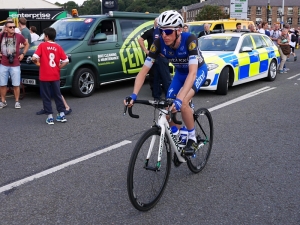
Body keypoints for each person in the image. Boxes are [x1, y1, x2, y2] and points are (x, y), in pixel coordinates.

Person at [124, 10, 208, 155]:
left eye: (168, 31)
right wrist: (133, 95)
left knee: (184, 102)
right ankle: (176, 131)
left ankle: (192, 138)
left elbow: (193, 73)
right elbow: (143, 72)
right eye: (161, 31)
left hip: (197, 72)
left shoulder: (190, 40)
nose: (164, 35)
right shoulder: (158, 43)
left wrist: (180, 99)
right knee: (166, 105)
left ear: (179, 30)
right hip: (180, 74)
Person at [31, 27, 69, 124]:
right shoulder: (58, 47)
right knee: (57, 95)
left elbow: (34, 57)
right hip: (55, 75)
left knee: (46, 96)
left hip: (44, 75)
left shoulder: (42, 46)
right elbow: (66, 60)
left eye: (44, 36)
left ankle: (50, 117)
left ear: (47, 36)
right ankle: (62, 115)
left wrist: (36, 62)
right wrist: (59, 67)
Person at [138, 18, 171, 100]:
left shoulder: (161, 31)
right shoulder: (151, 31)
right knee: (160, 77)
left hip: (156, 56)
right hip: (156, 56)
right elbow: (140, 39)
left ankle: (159, 95)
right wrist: (146, 50)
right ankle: (162, 95)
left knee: (159, 77)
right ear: (155, 23)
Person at [0, 20, 29, 109]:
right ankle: (3, 101)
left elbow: (26, 44)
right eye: (10, 27)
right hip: (4, 63)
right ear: (6, 28)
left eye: (14, 27)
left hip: (15, 63)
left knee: (16, 84)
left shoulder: (19, 36)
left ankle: (17, 101)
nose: (12, 28)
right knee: (2, 84)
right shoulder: (1, 36)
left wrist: (23, 54)